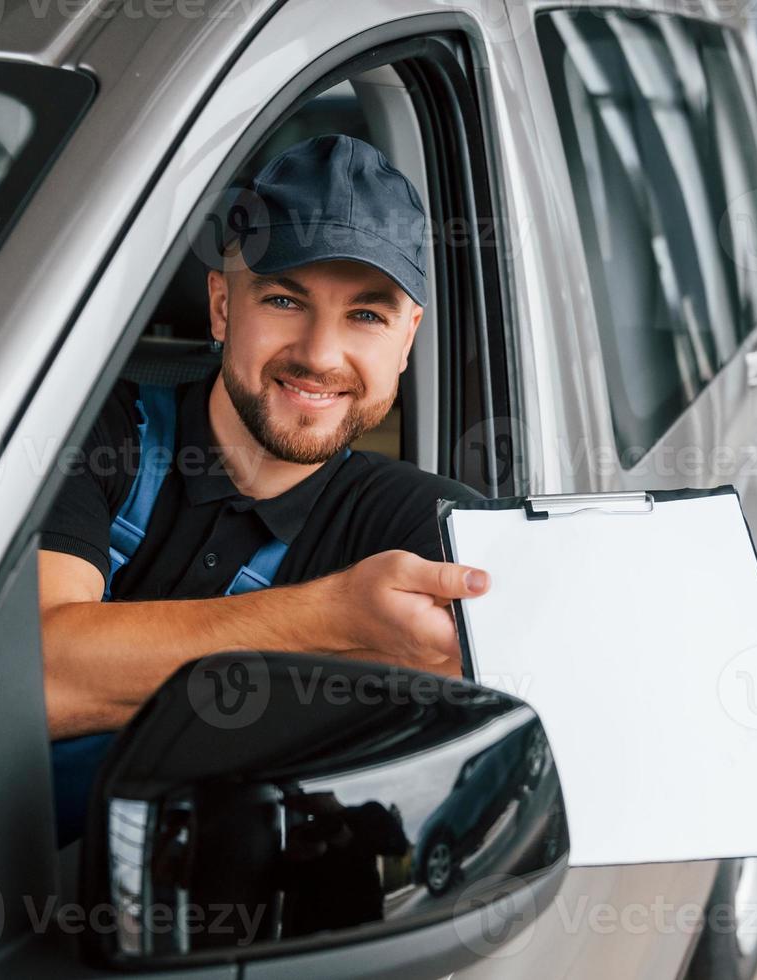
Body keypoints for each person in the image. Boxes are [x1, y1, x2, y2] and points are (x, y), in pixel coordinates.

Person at [37, 135, 491, 839]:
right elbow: (36, 678)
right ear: (222, 307)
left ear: (407, 340)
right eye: (284, 299)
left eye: (366, 316)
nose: (318, 355)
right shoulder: (96, 430)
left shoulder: (428, 526)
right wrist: (334, 624)